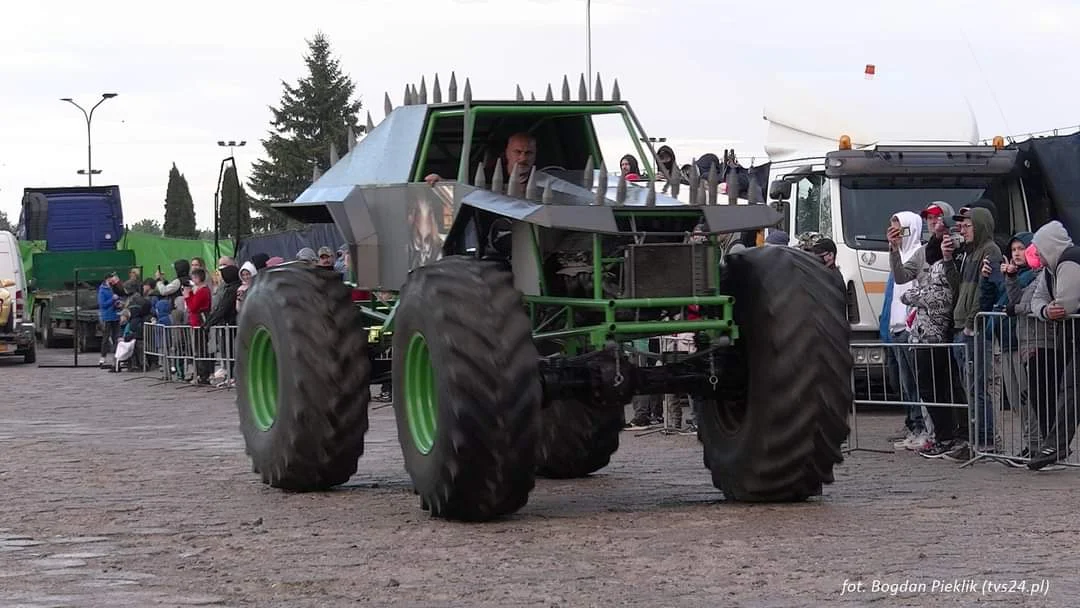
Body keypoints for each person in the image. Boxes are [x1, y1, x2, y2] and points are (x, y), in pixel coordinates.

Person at [944, 206, 1002, 460]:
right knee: (969, 386)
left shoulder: (989, 251)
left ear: (979, 226)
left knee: (978, 386)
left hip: (973, 329)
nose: (962, 230)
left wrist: (970, 323)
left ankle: (986, 440)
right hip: (961, 326)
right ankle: (975, 438)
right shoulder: (969, 253)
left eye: (967, 226)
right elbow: (959, 287)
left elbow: (983, 291)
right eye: (962, 226)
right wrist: (948, 261)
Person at [1027, 220, 1080, 469]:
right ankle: (1054, 445)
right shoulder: (1051, 269)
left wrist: (1048, 309)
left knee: (1069, 391)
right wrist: (1046, 311)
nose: (1035, 254)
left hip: (1074, 339)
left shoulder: (1070, 261)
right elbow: (1038, 300)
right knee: (1068, 391)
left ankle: (1055, 446)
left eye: (1038, 248)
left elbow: (1066, 305)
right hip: (1071, 340)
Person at [882, 211, 925, 448]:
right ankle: (913, 424)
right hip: (896, 327)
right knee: (905, 383)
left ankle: (922, 426)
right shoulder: (897, 256)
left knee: (916, 382)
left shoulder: (919, 253)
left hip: (912, 328)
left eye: (900, 229)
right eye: (893, 228)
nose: (896, 234)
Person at [424, 132, 537, 188]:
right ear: (507, 153)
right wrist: (440, 181)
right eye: (517, 152)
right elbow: (462, 187)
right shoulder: (484, 175)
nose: (523, 158)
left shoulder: (545, 178)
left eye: (528, 153)